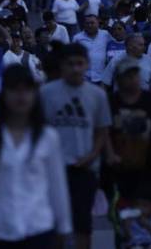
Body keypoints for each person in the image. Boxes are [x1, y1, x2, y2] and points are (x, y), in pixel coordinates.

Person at [0, 65, 72, 248]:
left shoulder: (47, 137)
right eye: (14, 90)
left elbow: (57, 186)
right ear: (3, 93)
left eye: (27, 90)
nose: (21, 96)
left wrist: (64, 228)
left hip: (37, 227)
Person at [40, 43, 111, 249]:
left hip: (85, 168)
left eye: (80, 64)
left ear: (87, 64)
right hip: (54, 169)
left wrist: (92, 155)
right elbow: (39, 130)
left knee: (82, 225)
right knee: (55, 224)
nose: (75, 68)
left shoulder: (97, 95)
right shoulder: (46, 93)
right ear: (62, 66)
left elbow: (102, 130)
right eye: (70, 64)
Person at [107, 58, 151, 203]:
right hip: (119, 165)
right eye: (128, 75)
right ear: (118, 79)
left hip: (148, 164)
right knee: (122, 212)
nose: (133, 79)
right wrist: (109, 154)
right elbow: (104, 130)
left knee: (149, 210)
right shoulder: (110, 101)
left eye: (135, 74)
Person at [72, 14, 111, 84]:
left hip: (101, 78)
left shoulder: (106, 35)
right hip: (83, 78)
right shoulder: (77, 38)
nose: (89, 25)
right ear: (84, 24)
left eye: (92, 23)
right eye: (87, 23)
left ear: (98, 23)